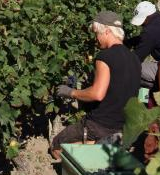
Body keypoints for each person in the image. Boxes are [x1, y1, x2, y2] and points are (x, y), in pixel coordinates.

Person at [51, 11, 141, 159]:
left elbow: (97, 94)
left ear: (107, 31)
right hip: (122, 126)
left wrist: (70, 92)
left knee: (57, 147)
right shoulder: (135, 59)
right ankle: (107, 146)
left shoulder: (105, 56)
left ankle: (96, 149)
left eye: (96, 33)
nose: (96, 39)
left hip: (100, 125)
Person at [126, 1, 160, 92]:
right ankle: (149, 98)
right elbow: (151, 39)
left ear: (147, 17)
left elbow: (137, 58)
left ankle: (143, 100)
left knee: (136, 71)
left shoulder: (150, 31)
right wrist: (130, 41)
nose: (142, 25)